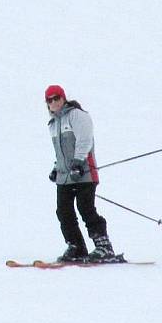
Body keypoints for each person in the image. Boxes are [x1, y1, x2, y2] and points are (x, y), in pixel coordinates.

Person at [45, 85, 118, 262]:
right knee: (63, 211)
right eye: (50, 100)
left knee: (85, 208)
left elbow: (85, 140)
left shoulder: (77, 115)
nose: (54, 102)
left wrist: (78, 162)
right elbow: (60, 151)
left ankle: (104, 246)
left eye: (57, 98)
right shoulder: (53, 124)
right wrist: (57, 167)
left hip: (84, 171)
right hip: (65, 175)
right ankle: (76, 246)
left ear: (63, 98)